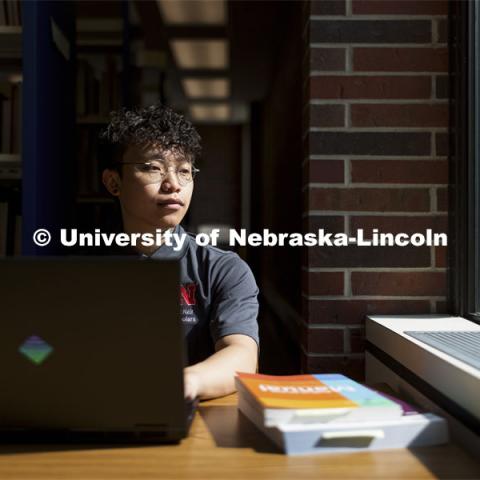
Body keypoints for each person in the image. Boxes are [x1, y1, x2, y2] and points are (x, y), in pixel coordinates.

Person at [100, 105, 259, 401]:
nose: (173, 184)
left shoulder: (223, 270)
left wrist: (184, 382)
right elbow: (37, 344)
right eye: (153, 168)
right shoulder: (79, 266)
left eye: (184, 170)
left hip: (186, 417)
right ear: (113, 182)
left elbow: (241, 356)